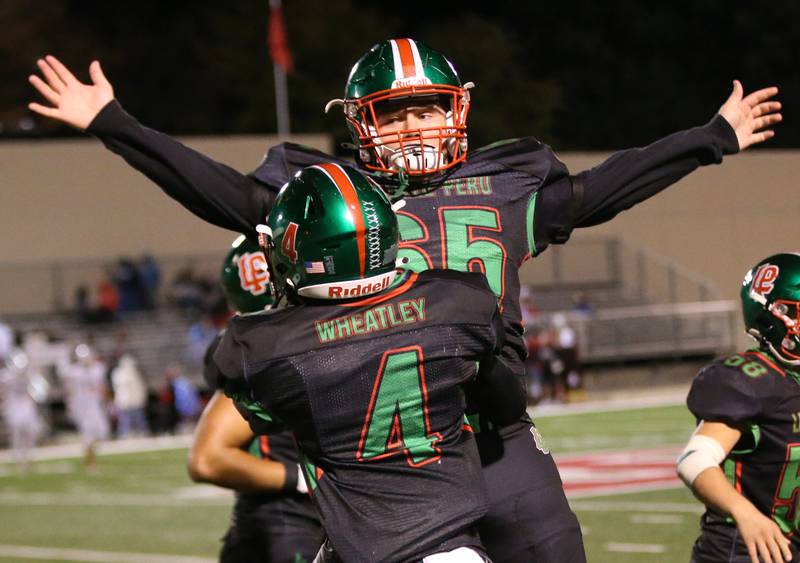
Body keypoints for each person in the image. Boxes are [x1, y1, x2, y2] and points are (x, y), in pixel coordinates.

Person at [27, 39, 781, 562]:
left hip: (497, 439)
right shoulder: (333, 195)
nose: (416, 123)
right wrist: (114, 124)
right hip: (382, 461)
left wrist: (710, 137)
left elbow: (605, 188)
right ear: (361, 123)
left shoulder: (508, 185)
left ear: (457, 110)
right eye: (395, 111)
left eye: (428, 107)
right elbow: (223, 192)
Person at [212, 164, 525, 562]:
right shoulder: (459, 300)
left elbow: (262, 416)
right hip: (451, 550)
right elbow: (508, 403)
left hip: (368, 546)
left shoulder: (260, 346)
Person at [188, 235, 323, 563]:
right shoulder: (270, 356)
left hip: (292, 525)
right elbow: (207, 458)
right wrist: (301, 478)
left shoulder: (251, 348)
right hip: (288, 527)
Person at [677, 252, 800, 563]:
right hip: (743, 551)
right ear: (775, 316)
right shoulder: (750, 380)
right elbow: (695, 460)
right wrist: (745, 513)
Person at [60, 343, 110, 469]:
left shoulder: (98, 369)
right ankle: (91, 462)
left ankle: (90, 454)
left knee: (102, 432)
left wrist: (106, 400)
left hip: (95, 404)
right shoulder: (74, 371)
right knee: (87, 433)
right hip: (82, 406)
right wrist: (70, 405)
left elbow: (101, 386)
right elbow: (69, 390)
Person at [0, 348, 46, 472]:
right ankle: (18, 459)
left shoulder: (30, 375)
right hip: (13, 406)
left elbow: (40, 390)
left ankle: (28, 456)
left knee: (31, 431)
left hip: (27, 406)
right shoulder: (5, 377)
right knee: (16, 432)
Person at [110, 353, 149, 437]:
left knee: (139, 419)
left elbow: (140, 388)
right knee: (125, 421)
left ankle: (141, 432)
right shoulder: (118, 374)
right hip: (125, 402)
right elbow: (119, 388)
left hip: (135, 401)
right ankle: (125, 434)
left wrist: (141, 399)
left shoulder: (136, 374)